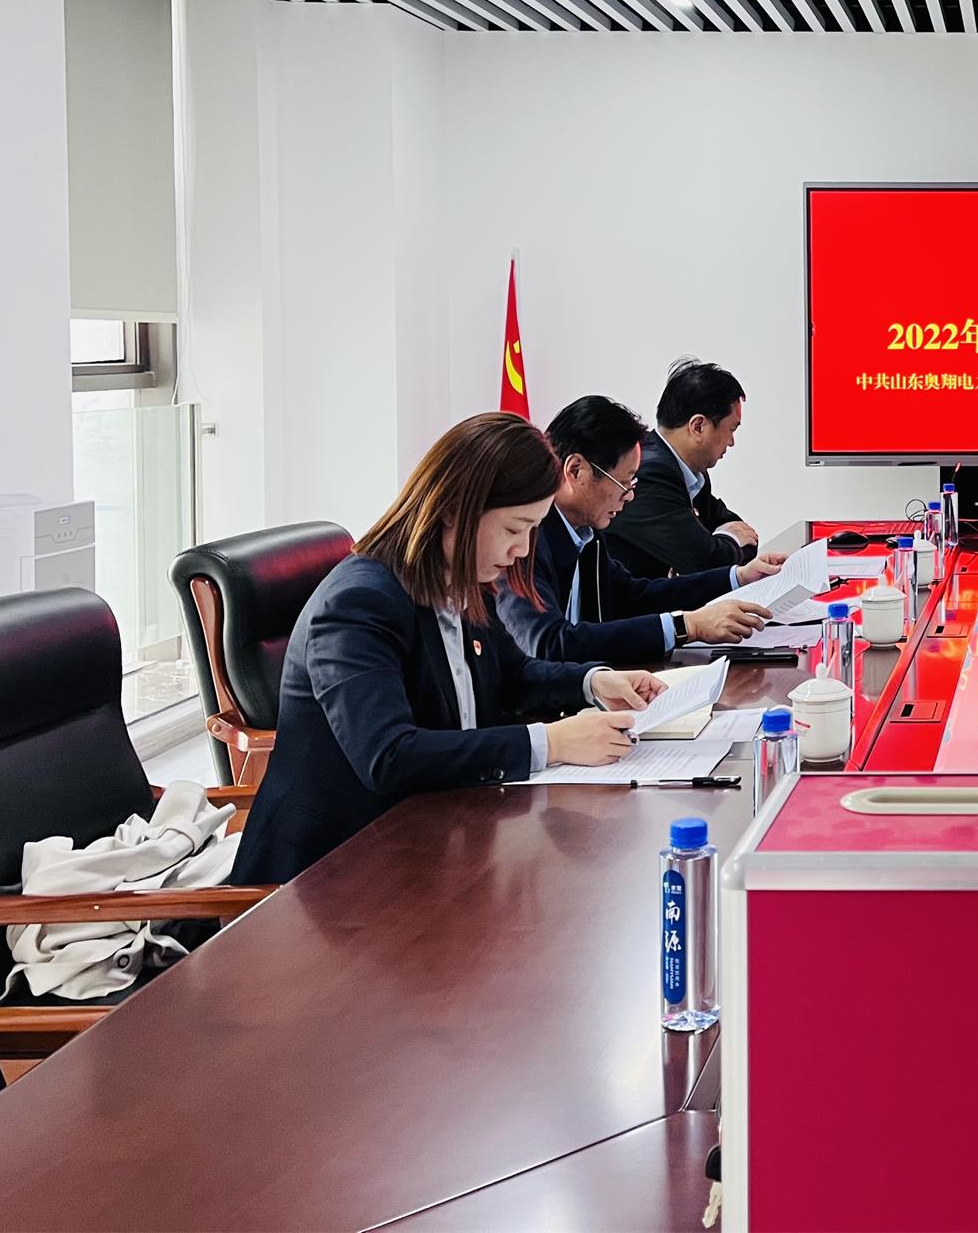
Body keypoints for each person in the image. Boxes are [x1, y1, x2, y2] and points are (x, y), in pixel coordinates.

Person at [232, 414, 664, 886]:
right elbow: (390, 757)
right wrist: (553, 742)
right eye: (514, 529)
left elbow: (513, 675)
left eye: (533, 530)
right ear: (455, 511)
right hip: (331, 874)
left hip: (434, 836)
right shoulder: (359, 603)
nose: (523, 550)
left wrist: (593, 683)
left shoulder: (463, 580)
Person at [497, 395, 784, 662]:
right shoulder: (525, 540)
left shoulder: (586, 534)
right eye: (624, 483)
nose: (630, 496)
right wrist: (686, 626)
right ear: (576, 471)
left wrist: (737, 577)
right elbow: (550, 644)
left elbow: (634, 596)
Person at [605, 358, 761, 577]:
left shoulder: (692, 473)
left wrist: (722, 543)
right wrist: (730, 539)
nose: (732, 442)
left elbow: (744, 534)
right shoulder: (650, 474)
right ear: (698, 426)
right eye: (731, 430)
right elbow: (706, 562)